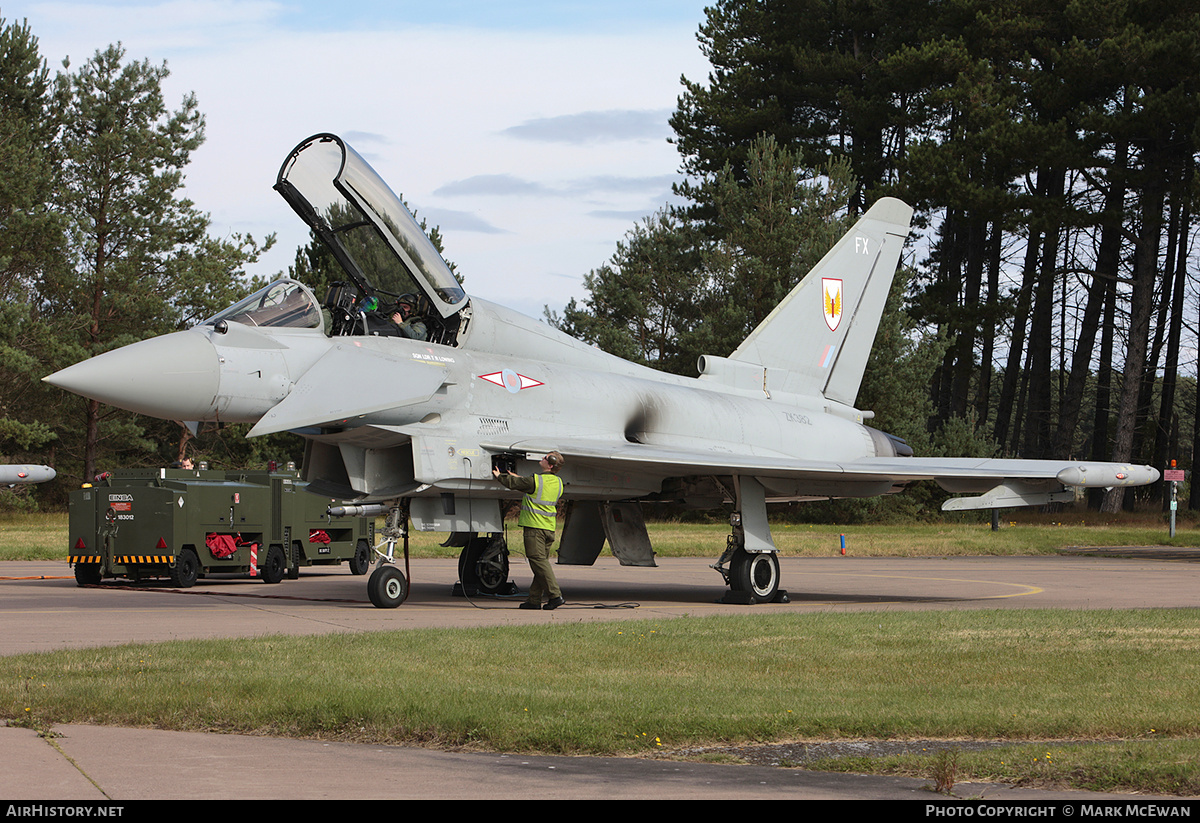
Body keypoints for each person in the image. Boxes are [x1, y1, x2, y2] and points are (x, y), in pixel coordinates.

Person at [493, 451, 565, 610]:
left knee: (538, 562)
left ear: (550, 464)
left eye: (545, 458)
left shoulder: (536, 481)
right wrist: (518, 477)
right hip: (549, 528)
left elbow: (517, 484)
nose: (542, 458)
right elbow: (528, 484)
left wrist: (500, 476)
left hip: (535, 528)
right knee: (541, 564)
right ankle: (534, 600)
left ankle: (555, 595)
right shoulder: (558, 483)